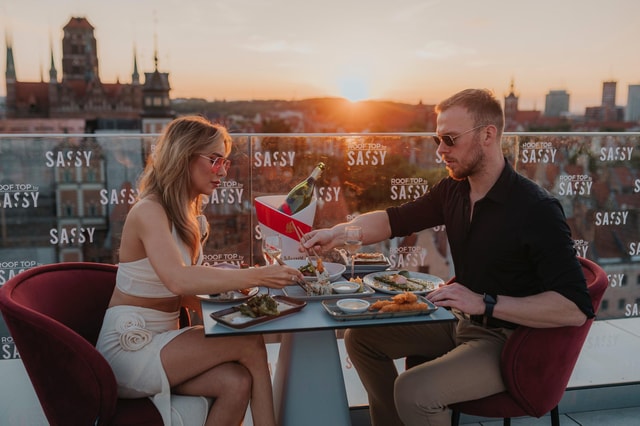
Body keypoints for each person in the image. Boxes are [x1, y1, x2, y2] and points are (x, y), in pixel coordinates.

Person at [302, 89, 595, 426]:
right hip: (461, 321)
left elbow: (574, 308)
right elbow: (392, 219)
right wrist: (336, 233)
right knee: (361, 339)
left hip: (509, 341)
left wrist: (485, 302)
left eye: (449, 139)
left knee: (413, 390)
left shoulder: (536, 209)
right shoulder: (454, 191)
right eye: (437, 138)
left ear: (488, 135)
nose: (440, 150)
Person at [96, 115, 303, 426]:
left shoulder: (190, 216)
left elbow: (183, 295)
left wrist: (244, 307)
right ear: (183, 156)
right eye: (215, 160)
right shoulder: (148, 211)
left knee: (236, 382)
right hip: (130, 347)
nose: (222, 171)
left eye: (226, 162)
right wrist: (258, 275)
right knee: (248, 343)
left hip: (164, 342)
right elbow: (178, 280)